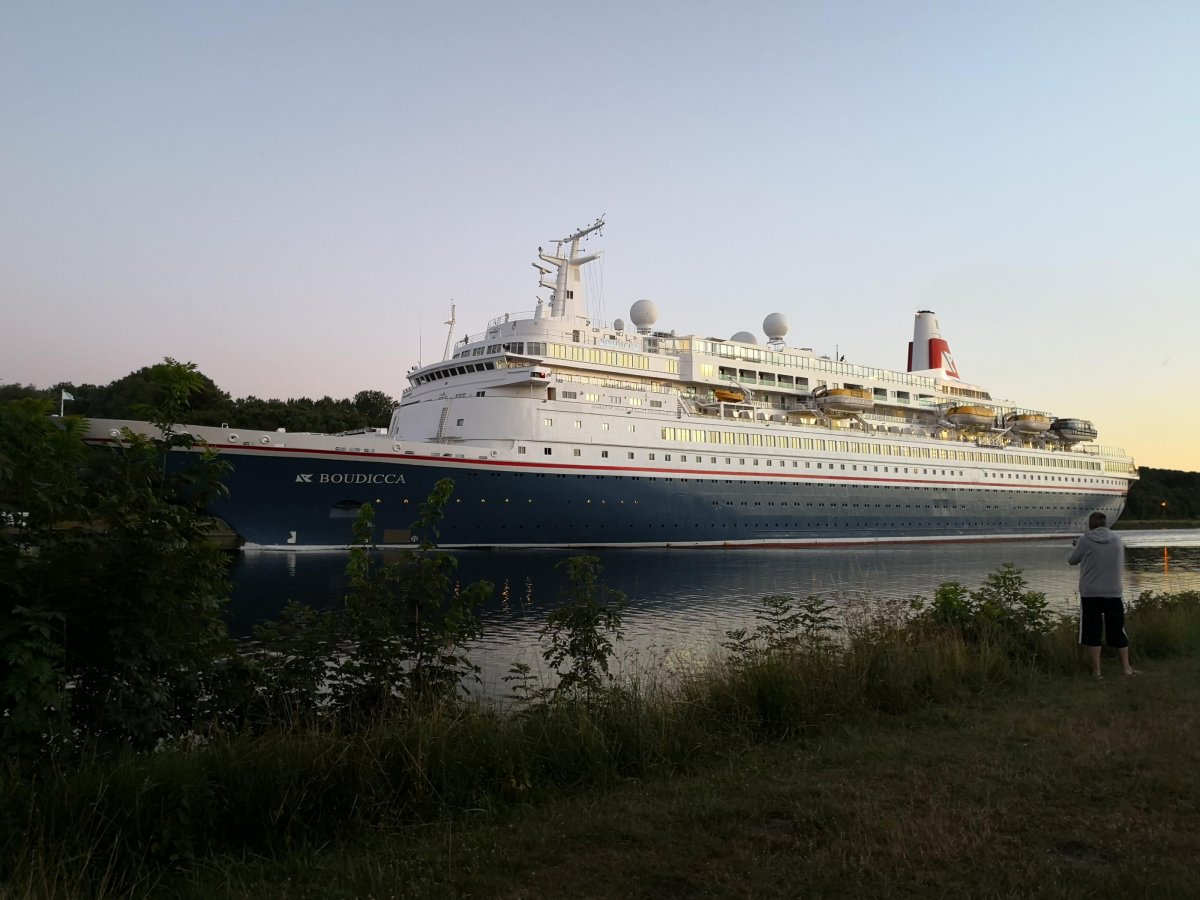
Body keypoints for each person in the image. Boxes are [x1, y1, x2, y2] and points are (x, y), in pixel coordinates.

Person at [1068, 511, 1134, 677]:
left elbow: (1072, 560)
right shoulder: (1117, 540)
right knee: (1118, 629)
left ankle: (1096, 672)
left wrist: (1077, 546)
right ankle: (1127, 669)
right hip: (1113, 591)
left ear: (1090, 525)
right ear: (1106, 524)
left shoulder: (1085, 540)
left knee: (1092, 631)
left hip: (1091, 593)